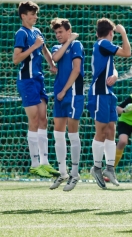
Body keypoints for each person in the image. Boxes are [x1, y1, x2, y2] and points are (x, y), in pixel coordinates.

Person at [13, 1, 59, 178]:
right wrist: (32, 47)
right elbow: (16, 59)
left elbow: (45, 50)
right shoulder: (21, 33)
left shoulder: (37, 32)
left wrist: (52, 65)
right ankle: (34, 164)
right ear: (23, 16)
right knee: (33, 120)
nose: (35, 16)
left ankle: (45, 163)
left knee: (43, 120)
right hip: (27, 81)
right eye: (31, 14)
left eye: (35, 14)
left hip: (39, 80)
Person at [87, 18, 131, 189]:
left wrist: (116, 74)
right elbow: (127, 52)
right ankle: (96, 168)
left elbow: (110, 66)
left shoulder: (103, 47)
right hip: (99, 94)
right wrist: (124, 32)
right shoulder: (103, 43)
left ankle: (110, 168)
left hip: (108, 94)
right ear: (111, 33)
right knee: (101, 130)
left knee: (111, 129)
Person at [49, 18, 85, 191]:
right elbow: (55, 57)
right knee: (57, 133)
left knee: (72, 133)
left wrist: (64, 90)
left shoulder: (76, 45)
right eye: (56, 33)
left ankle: (75, 173)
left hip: (73, 94)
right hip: (60, 95)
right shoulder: (59, 47)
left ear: (68, 31)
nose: (58, 35)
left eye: (61, 32)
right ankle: (62, 172)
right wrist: (68, 40)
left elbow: (77, 69)